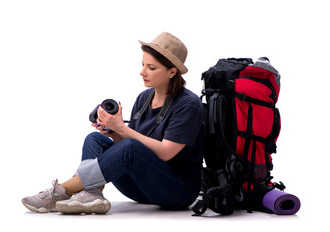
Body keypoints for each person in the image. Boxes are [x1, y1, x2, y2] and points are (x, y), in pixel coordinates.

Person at [21, 32, 204, 214]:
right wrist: (115, 133)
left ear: (172, 71)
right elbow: (129, 151)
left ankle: (62, 191)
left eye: (151, 68)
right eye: (143, 65)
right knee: (95, 139)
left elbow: (165, 153)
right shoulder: (144, 98)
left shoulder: (188, 104)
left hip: (178, 191)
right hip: (142, 187)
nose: (142, 72)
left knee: (130, 146)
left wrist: (122, 129)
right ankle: (91, 194)